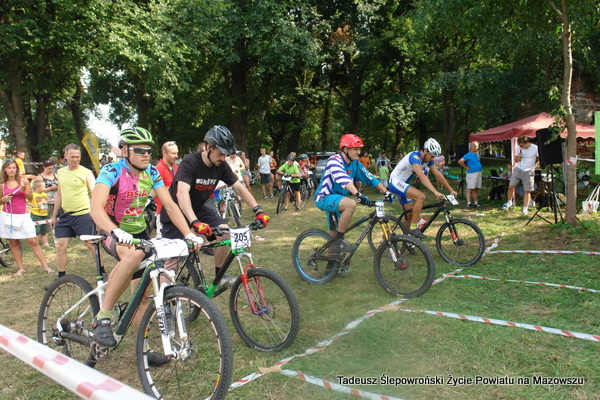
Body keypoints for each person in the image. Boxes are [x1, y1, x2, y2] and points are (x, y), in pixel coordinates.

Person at [90, 127, 203, 355]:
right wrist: (114, 230)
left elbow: (169, 204)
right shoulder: (111, 170)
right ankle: (103, 316)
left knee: (141, 297)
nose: (146, 155)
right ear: (124, 150)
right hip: (111, 229)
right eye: (139, 150)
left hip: (139, 232)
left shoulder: (151, 172)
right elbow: (95, 208)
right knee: (133, 255)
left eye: (149, 151)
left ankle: (145, 351)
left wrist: (188, 233)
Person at [161, 125, 269, 286]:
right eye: (221, 153)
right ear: (208, 147)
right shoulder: (190, 162)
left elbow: (239, 187)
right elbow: (181, 194)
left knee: (225, 232)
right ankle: (164, 295)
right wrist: (194, 221)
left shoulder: (221, 165)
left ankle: (221, 276)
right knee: (172, 261)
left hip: (197, 208)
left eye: (226, 154)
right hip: (175, 212)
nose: (223, 158)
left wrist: (258, 209)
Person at [314, 134, 392, 256]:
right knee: (350, 204)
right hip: (325, 197)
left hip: (338, 199)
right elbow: (343, 178)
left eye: (359, 149)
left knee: (333, 234)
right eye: (355, 149)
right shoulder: (334, 160)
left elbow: (369, 177)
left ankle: (331, 263)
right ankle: (340, 240)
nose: (359, 152)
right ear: (346, 149)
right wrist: (357, 194)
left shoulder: (355, 163)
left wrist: (386, 192)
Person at [387, 138, 458, 239]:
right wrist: (435, 192)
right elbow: (422, 176)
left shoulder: (428, 160)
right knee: (421, 197)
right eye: (432, 156)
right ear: (425, 151)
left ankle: (403, 238)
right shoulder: (414, 157)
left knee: (409, 215)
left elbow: (438, 175)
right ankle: (413, 229)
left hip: (403, 184)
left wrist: (451, 189)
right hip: (395, 181)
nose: (432, 158)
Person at [0, 159, 55, 277]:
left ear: (17, 169)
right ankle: (20, 268)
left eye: (14, 168)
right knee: (13, 242)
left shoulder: (23, 181)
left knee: (33, 241)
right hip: (8, 216)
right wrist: (3, 200)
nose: (12, 170)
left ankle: (46, 267)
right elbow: (0, 201)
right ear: (4, 169)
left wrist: (25, 191)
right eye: (9, 168)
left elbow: (30, 198)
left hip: (23, 215)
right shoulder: (2, 185)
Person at [51, 143, 97, 278]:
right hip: (65, 215)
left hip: (83, 214)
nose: (75, 159)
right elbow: (59, 194)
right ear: (65, 156)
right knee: (60, 246)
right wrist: (53, 216)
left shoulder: (87, 173)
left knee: (90, 244)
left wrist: (96, 214)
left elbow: (94, 194)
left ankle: (102, 272)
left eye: (78, 157)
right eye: (72, 157)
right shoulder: (60, 172)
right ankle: (61, 277)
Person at [502, 135, 539, 215]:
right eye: (519, 146)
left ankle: (525, 208)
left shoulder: (535, 148)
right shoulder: (519, 148)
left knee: (527, 190)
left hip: (529, 170)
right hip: (518, 169)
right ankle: (509, 202)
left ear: (527, 143)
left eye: (522, 145)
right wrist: (519, 156)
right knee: (511, 186)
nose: (521, 147)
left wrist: (536, 164)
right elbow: (516, 160)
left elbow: (540, 158)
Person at [154, 140, 179, 238]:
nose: (176, 156)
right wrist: (172, 189)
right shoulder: (158, 168)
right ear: (164, 153)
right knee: (162, 241)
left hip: (176, 210)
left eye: (177, 153)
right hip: (163, 212)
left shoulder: (176, 168)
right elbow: (153, 192)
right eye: (173, 153)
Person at [458, 141, 483, 208]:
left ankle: (476, 202)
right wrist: (466, 167)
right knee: (470, 188)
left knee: (476, 188)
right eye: (474, 146)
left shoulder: (477, 154)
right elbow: (460, 161)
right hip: (472, 173)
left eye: (477, 146)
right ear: (471, 147)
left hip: (478, 172)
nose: (476, 147)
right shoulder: (468, 155)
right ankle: (469, 203)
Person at [30, 180, 52, 247]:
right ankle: (36, 245)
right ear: (37, 187)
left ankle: (45, 244)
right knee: (36, 231)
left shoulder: (44, 194)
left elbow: (47, 199)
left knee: (44, 230)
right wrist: (30, 205)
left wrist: (46, 202)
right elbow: (26, 201)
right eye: (43, 186)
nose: (44, 188)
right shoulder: (32, 195)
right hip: (36, 215)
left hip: (44, 214)